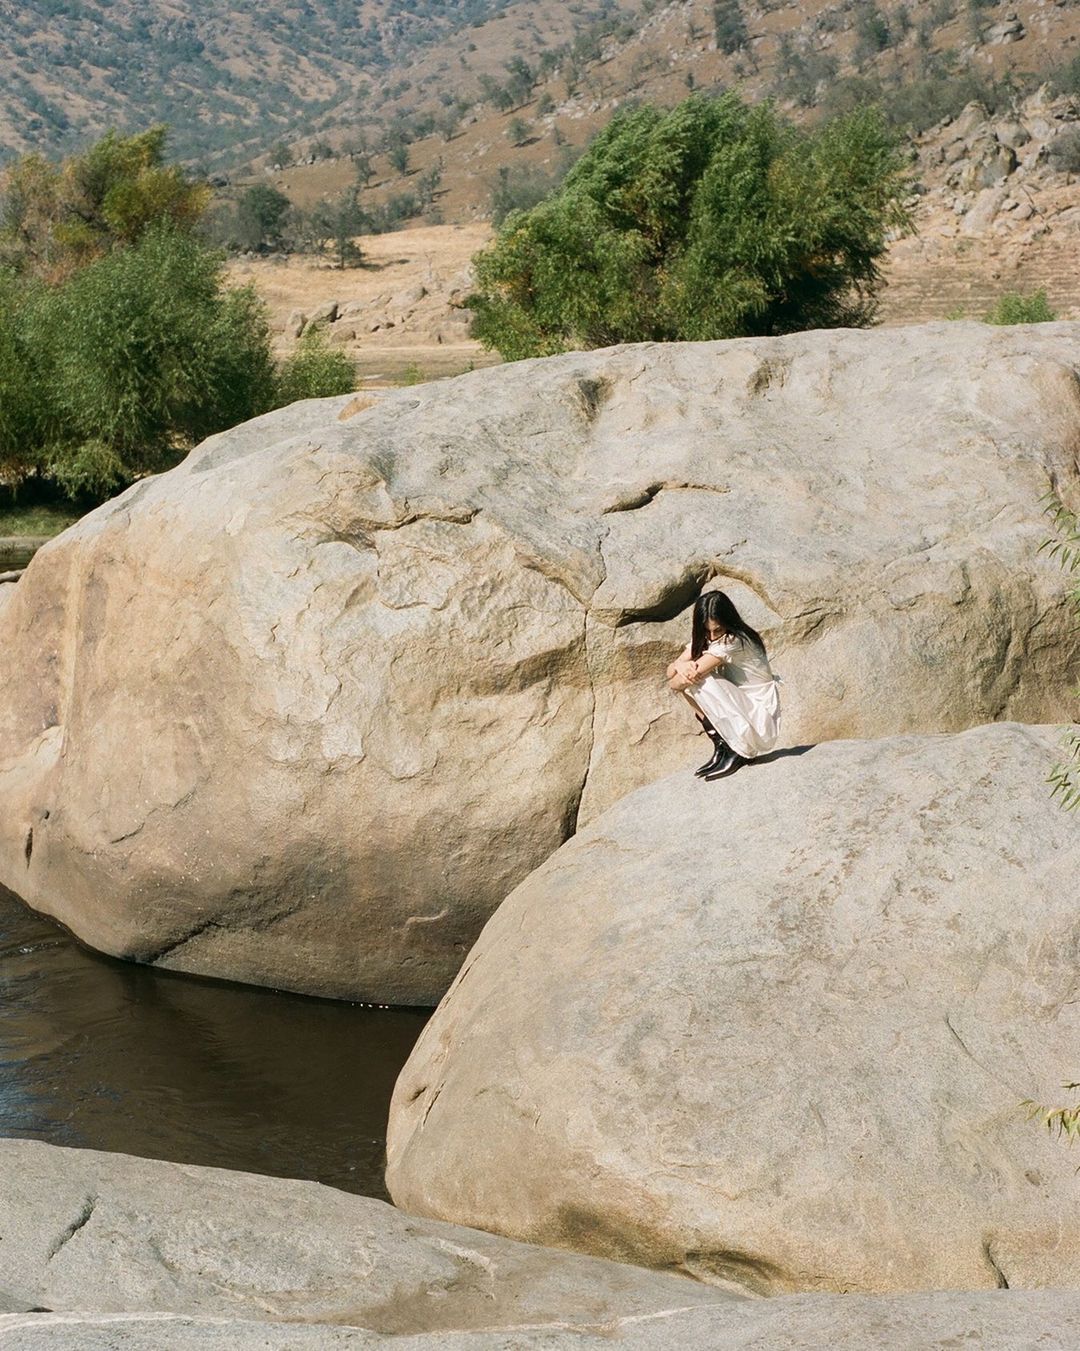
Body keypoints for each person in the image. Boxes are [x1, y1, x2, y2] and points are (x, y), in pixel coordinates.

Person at [666, 590, 781, 779]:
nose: (712, 637)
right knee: (691, 682)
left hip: (760, 719)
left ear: (728, 622)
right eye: (707, 631)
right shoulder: (709, 637)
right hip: (744, 709)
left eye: (717, 630)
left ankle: (737, 749)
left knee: (697, 681)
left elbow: (677, 682)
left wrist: (683, 669)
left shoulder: (733, 640)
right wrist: (679, 664)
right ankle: (723, 745)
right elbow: (670, 673)